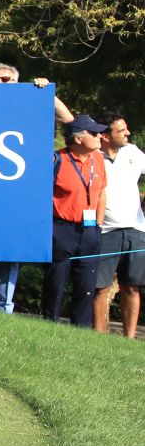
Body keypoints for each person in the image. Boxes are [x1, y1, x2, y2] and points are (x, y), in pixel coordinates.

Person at [0, 63, 74, 311]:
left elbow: (67, 118)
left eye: (7, 80)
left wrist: (45, 92)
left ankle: (4, 307)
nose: (0, 84)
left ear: (17, 82)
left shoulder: (30, 105)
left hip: (17, 192)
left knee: (10, 248)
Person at [44, 114, 109, 325]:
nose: (100, 136)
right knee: (56, 283)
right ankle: (49, 323)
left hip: (90, 230)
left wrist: (97, 226)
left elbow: (101, 193)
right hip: (61, 229)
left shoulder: (98, 158)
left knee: (86, 286)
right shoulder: (57, 160)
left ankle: (80, 330)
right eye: (93, 133)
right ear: (79, 138)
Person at [93, 114, 144, 338]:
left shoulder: (133, 152)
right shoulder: (93, 155)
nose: (127, 133)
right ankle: (98, 338)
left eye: (126, 129)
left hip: (135, 229)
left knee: (131, 286)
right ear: (105, 136)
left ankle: (129, 339)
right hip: (105, 230)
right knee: (100, 288)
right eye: (121, 130)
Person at [0, 63, 74, 124]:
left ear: (15, 82)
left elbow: (67, 118)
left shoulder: (27, 106)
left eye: (5, 79)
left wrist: (45, 92)